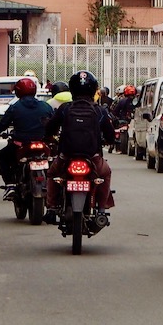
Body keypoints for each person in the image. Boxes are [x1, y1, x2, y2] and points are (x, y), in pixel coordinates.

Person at [43, 71, 114, 222]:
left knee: (51, 174)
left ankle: (51, 207)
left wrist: (49, 137)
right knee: (105, 173)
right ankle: (101, 210)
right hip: (93, 157)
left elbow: (49, 129)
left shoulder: (64, 109)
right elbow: (110, 135)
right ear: (93, 89)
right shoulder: (99, 111)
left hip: (66, 156)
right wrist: (110, 141)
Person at [0, 77, 53, 200]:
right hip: (42, 143)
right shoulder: (45, 106)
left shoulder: (15, 107)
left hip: (21, 144)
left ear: (18, 91)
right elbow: (54, 122)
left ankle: (10, 185)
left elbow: (3, 123)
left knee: (2, 156)